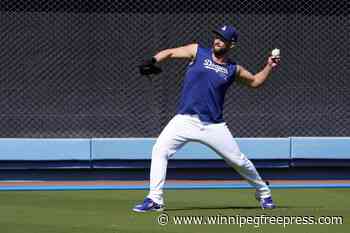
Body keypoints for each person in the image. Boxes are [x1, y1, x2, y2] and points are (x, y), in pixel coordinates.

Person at [133, 25, 281, 212]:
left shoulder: (232, 69)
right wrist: (153, 60)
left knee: (238, 161)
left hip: (213, 125)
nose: (218, 40)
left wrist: (269, 66)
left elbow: (255, 82)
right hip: (184, 119)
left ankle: (264, 192)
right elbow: (170, 53)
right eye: (217, 36)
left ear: (231, 44)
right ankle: (155, 199)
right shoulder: (197, 51)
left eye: (223, 38)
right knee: (159, 149)